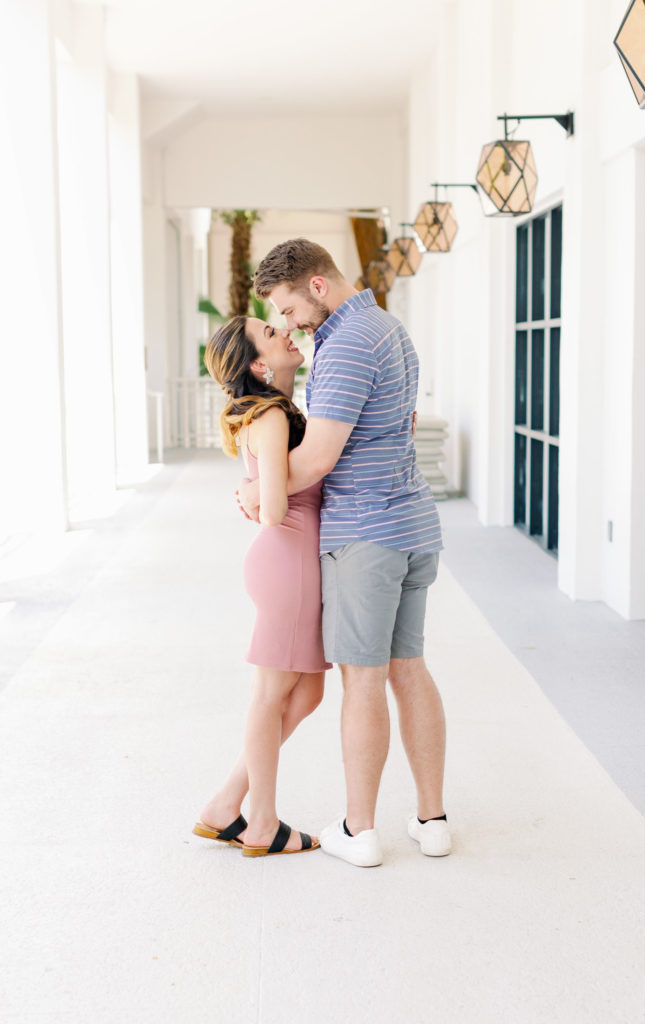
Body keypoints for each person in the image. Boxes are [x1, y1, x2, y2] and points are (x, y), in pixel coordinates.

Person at [239, 238, 451, 867]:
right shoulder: (386, 327)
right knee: (408, 667)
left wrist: (259, 488)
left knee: (364, 678)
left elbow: (319, 458)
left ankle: (359, 831)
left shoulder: (348, 344)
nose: (287, 322)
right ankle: (431, 821)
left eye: (287, 306)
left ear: (317, 286)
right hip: (412, 526)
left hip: (366, 537)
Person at [192, 314, 330, 857]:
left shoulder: (276, 412)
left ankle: (226, 803)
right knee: (271, 695)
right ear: (258, 364)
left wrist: (258, 485)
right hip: (287, 562)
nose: (283, 330)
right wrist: (259, 489)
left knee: (308, 691)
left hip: (289, 564)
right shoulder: (271, 415)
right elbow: (273, 509)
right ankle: (263, 822)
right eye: (270, 334)